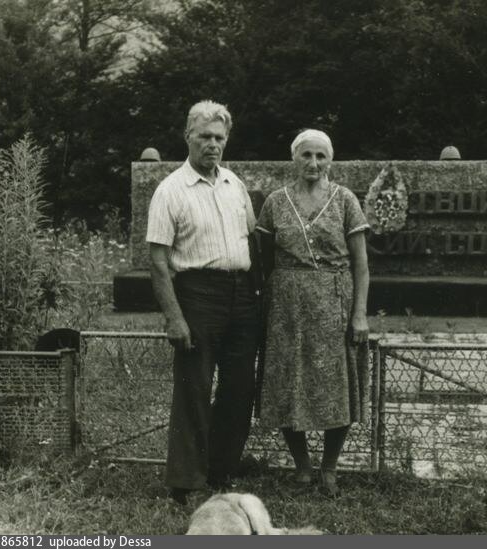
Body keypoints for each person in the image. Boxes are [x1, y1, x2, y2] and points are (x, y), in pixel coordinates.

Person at [146, 100, 260, 504]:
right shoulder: (170, 190)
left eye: (219, 138)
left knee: (240, 388)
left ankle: (219, 472)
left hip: (241, 294)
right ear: (188, 137)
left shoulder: (234, 184)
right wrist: (174, 318)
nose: (212, 145)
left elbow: (252, 237)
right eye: (204, 137)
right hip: (197, 295)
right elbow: (158, 262)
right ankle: (185, 484)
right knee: (194, 388)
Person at [255, 129, 370, 496]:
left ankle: (330, 468)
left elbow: (361, 265)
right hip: (287, 308)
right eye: (306, 155)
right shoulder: (275, 202)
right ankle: (302, 468)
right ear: (294, 158)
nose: (314, 163)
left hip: (333, 304)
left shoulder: (345, 200)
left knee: (338, 387)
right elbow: (263, 258)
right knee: (290, 384)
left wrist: (359, 314)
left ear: (330, 161)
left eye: (321, 156)